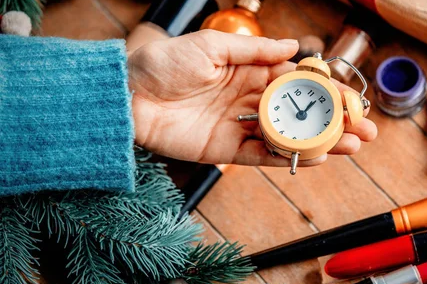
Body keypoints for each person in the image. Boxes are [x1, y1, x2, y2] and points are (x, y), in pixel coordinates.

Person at [0, 30, 377, 197]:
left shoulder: (324, 109)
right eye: (301, 100)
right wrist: (131, 89)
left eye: (310, 106)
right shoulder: (283, 88)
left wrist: (125, 91)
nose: (302, 106)